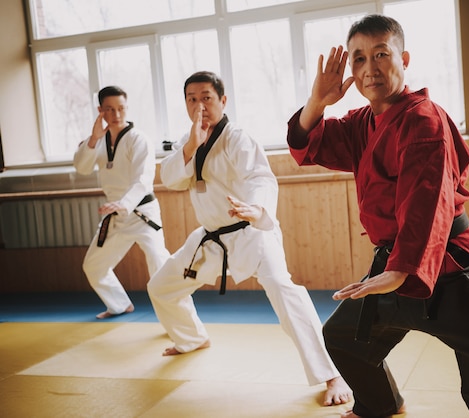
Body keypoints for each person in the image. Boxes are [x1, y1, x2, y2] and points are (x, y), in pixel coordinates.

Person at [286, 14, 469, 418]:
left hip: (449, 268)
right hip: (393, 266)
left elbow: (427, 200)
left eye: (380, 54)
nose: (369, 68)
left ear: (403, 58)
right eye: (358, 59)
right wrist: (317, 102)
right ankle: (380, 403)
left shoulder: (424, 119)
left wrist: (403, 268)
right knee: (341, 339)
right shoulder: (363, 122)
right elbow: (311, 146)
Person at [147, 71, 351, 406]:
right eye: (192, 99)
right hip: (210, 241)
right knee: (161, 287)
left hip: (252, 233)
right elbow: (171, 178)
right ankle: (192, 337)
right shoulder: (191, 140)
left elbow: (261, 177)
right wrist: (191, 145)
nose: (200, 106)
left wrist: (257, 209)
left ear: (223, 101)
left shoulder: (238, 138)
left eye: (207, 98)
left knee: (285, 293)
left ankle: (333, 374)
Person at [74, 85, 170, 319]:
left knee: (159, 263)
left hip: (142, 213)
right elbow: (82, 167)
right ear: (100, 111)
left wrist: (124, 203)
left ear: (127, 108)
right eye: (109, 109)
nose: (116, 115)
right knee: (94, 265)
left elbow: (143, 179)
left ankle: (175, 315)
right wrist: (95, 138)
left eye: (121, 108)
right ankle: (119, 304)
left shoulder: (139, 139)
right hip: (114, 215)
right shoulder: (96, 141)